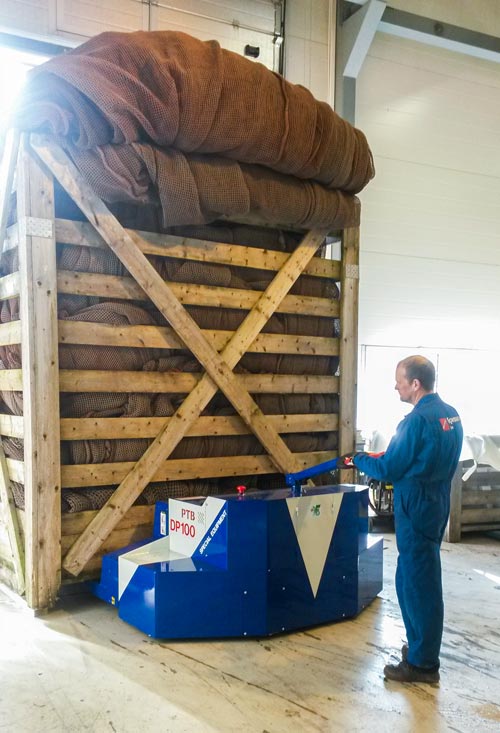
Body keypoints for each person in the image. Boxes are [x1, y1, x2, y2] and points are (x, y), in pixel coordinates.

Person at [343, 355, 463, 684]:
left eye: (399, 380)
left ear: (415, 384)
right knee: (412, 576)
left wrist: (359, 460)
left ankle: (423, 664)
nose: (395, 385)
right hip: (436, 501)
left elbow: (390, 468)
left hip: (416, 504)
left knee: (418, 583)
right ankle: (419, 646)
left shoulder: (414, 422)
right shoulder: (450, 415)